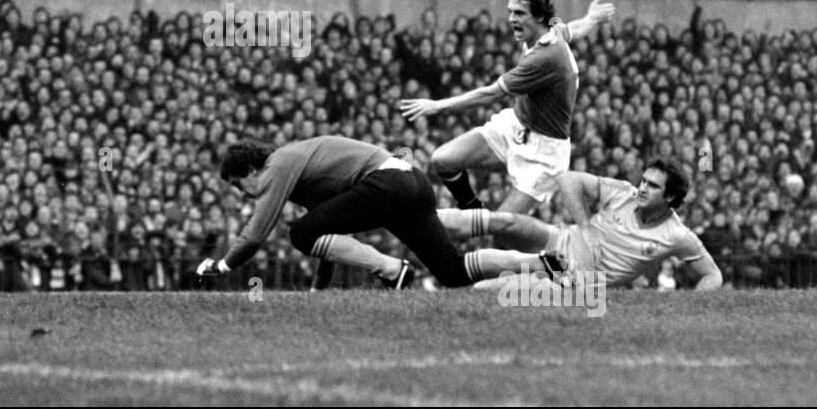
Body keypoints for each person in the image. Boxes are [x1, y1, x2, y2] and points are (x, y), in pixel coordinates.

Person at [195, 136, 563, 289]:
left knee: (297, 232)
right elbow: (331, 239)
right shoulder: (298, 166)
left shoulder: (278, 165)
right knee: (451, 272)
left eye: (236, 184)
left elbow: (257, 233)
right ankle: (544, 263)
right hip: (412, 184)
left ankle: (392, 270)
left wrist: (221, 265)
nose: (242, 193)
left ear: (249, 171)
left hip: (387, 185)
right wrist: (317, 289)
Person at [400, 0, 614, 225]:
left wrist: (437, 106)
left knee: (502, 233)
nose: (512, 18)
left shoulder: (546, 57)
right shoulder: (549, 34)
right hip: (516, 127)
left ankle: (556, 257)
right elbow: (573, 29)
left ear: (539, 17)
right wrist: (592, 18)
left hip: (543, 153)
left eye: (520, 13)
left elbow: (490, 94)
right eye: (511, 11)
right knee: (443, 161)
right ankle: (473, 208)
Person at [440, 161, 723, 290]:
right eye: (643, 180)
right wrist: (586, 228)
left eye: (652, 185)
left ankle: (457, 290)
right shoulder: (624, 192)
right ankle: (423, 221)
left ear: (670, 197)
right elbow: (568, 178)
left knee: (490, 288)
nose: (642, 187)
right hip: (560, 240)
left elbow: (712, 275)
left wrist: (691, 303)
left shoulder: (677, 235)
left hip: (576, 281)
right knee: (505, 221)